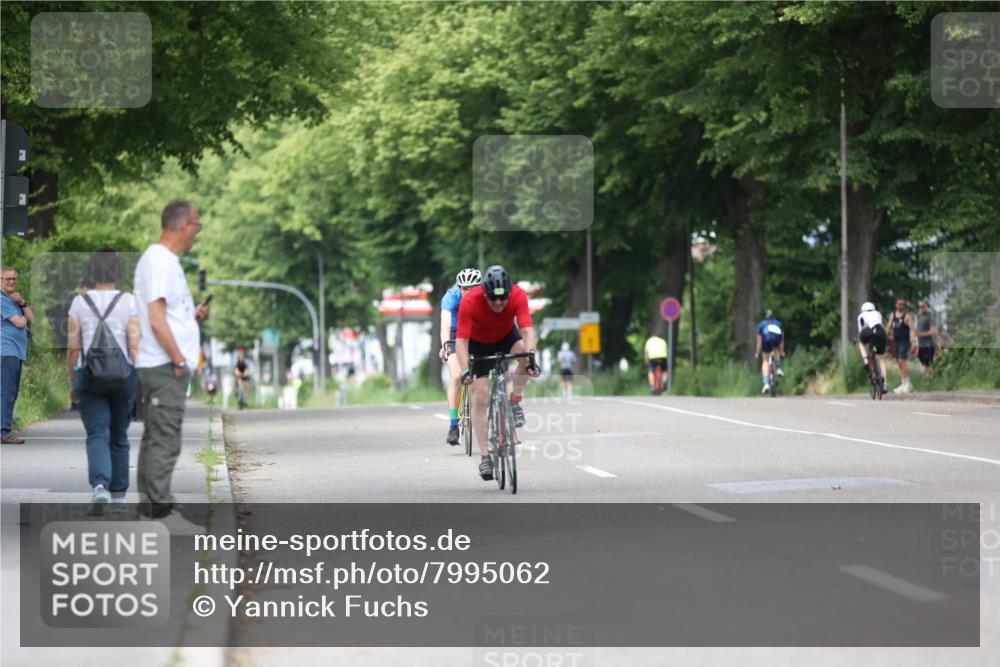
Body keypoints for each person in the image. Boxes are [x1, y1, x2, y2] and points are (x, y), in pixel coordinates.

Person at [133, 200, 209, 530]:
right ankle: (159, 516)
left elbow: (167, 316)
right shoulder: (161, 261)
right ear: (183, 226)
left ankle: (152, 507)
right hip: (165, 365)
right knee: (165, 438)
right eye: (197, 226)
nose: (197, 233)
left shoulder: (161, 260)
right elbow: (156, 318)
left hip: (161, 363)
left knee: (155, 437)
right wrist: (179, 360)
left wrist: (191, 319)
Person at [66, 249, 140, 504]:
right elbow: (134, 347)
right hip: (123, 377)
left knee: (97, 433)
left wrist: (71, 381)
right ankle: (119, 497)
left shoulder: (79, 303)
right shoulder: (129, 301)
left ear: (93, 271)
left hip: (90, 376)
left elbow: (73, 349)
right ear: (118, 272)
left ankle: (100, 486)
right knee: (119, 436)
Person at [456, 265, 540, 480]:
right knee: (480, 396)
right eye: (494, 299)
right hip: (478, 343)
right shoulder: (470, 301)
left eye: (503, 299)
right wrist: (466, 370)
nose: (499, 303)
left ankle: (515, 400)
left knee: (523, 354)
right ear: (485, 293)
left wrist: (531, 357)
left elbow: (527, 330)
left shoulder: (518, 295)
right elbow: (462, 342)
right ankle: (485, 457)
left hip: (505, 336)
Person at [439, 268, 481, 446]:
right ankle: (453, 425)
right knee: (457, 376)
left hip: (477, 333)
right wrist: (445, 345)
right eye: (463, 288)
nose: (467, 291)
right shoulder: (451, 297)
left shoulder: (485, 297)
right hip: (456, 334)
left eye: (471, 288)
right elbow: (445, 326)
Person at [1, 267, 33, 445]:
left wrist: (22, 302)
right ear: (0, 280)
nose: (11, 281)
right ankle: (5, 433)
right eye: (7, 279)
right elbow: (21, 322)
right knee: (8, 392)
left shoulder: (13, 300)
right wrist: (22, 309)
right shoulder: (2, 299)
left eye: (13, 278)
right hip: (6, 352)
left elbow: (32, 318)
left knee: (9, 392)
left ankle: (4, 430)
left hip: (15, 352)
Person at [857, 301, 889, 394]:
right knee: (881, 359)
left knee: (861, 342)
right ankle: (885, 384)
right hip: (880, 332)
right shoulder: (878, 313)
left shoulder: (861, 315)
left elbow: (860, 331)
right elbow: (882, 325)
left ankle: (866, 360)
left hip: (867, 331)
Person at [887, 297, 917, 393]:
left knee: (902, 360)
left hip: (904, 342)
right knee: (899, 363)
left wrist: (913, 342)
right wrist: (888, 333)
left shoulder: (907, 316)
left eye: (903, 304)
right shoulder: (893, 315)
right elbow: (888, 328)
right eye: (899, 304)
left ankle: (908, 384)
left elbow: (912, 329)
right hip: (896, 342)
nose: (901, 306)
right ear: (896, 305)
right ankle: (903, 383)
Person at [754, 310, 785, 394]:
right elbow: (781, 340)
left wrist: (757, 352)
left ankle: (766, 383)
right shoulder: (778, 323)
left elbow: (759, 341)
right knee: (776, 349)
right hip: (776, 340)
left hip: (766, 341)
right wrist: (782, 351)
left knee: (765, 361)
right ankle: (778, 368)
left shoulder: (761, 325)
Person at [915, 298, 939, 375]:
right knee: (924, 365)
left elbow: (933, 331)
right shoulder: (919, 316)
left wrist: (919, 334)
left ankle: (932, 380)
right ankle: (928, 381)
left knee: (929, 364)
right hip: (921, 344)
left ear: (927, 306)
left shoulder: (931, 316)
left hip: (929, 344)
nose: (921, 308)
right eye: (919, 306)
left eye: (923, 306)